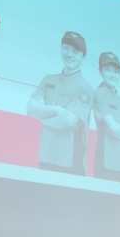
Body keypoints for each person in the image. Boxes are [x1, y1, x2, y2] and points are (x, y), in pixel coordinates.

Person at [27, 31, 95, 175]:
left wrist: (42, 113)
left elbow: (66, 120)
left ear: (84, 56)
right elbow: (30, 108)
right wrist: (57, 110)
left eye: (75, 51)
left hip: (71, 163)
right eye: (66, 48)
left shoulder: (85, 88)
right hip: (46, 158)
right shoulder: (48, 80)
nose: (69, 54)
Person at [92, 51, 120, 183]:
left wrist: (116, 131)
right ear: (100, 71)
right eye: (107, 70)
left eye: (116, 71)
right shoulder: (99, 94)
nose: (112, 75)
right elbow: (114, 127)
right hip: (106, 165)